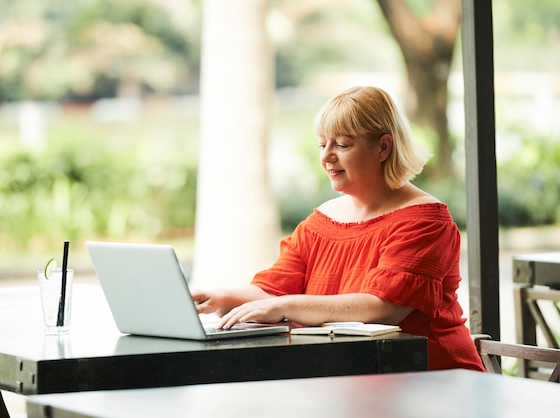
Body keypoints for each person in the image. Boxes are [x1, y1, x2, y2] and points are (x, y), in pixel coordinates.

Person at [191, 86, 485, 371]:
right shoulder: (322, 221)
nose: (326, 156)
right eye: (322, 144)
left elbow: (382, 308)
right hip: (357, 378)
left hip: (435, 380)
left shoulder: (424, 221)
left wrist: (285, 306)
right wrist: (221, 297)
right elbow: (273, 290)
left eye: (342, 145)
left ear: (384, 146)